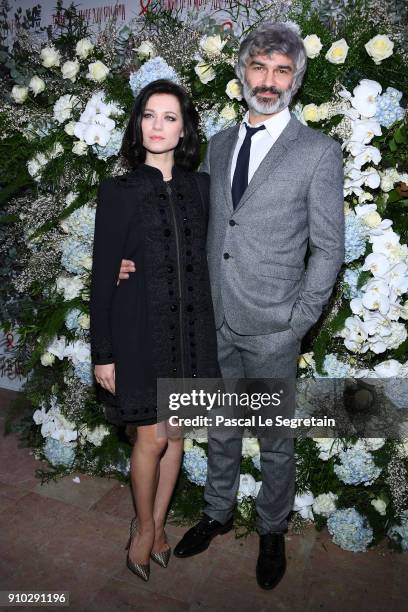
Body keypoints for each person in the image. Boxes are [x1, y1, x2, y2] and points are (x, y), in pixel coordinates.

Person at [118, 21, 345, 590]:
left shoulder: (318, 153)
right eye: (259, 68)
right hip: (211, 318)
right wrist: (134, 261)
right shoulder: (216, 144)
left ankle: (271, 529)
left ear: (296, 80)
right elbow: (193, 226)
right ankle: (216, 513)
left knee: (274, 438)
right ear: (241, 72)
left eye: (282, 70)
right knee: (219, 428)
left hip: (274, 327)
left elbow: (330, 249)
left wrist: (299, 320)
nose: (268, 81)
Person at [90, 79, 220, 583]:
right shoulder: (118, 191)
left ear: (184, 127)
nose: (158, 126)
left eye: (169, 117)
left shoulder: (202, 188)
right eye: (149, 115)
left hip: (191, 334)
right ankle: (143, 528)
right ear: (137, 123)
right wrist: (103, 354)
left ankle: (162, 524)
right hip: (139, 331)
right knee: (151, 438)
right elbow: (103, 277)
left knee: (178, 436)